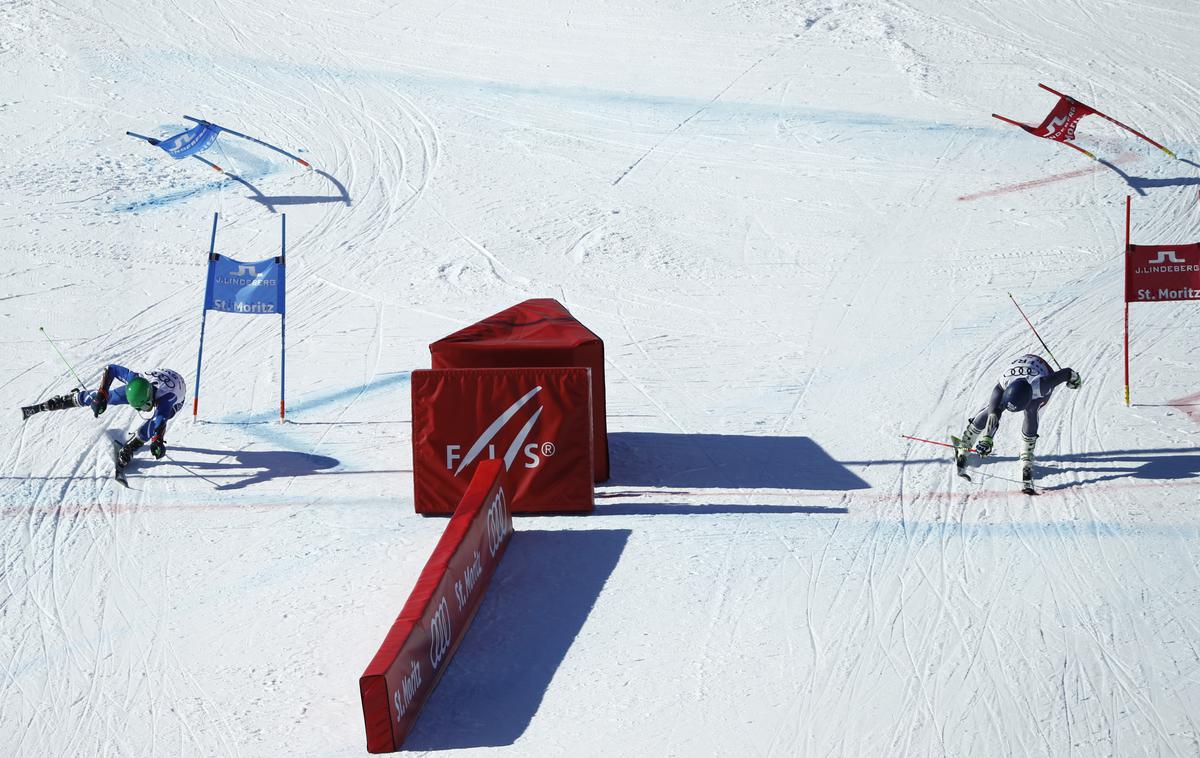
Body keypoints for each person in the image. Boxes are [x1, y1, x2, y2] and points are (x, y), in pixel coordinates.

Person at [954, 353, 1081, 490]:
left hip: (1040, 369)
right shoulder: (1003, 384)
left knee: (1031, 410)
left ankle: (1026, 455)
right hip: (1016, 376)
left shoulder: (1043, 385)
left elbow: (1067, 372)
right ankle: (966, 442)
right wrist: (987, 439)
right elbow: (994, 415)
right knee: (993, 409)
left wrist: (1075, 379)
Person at [22, 365, 186, 467]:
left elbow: (160, 420)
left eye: (143, 407)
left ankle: (132, 445)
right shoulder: (134, 380)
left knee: (152, 425)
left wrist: (157, 439)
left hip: (177, 394)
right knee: (109, 397)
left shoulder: (167, 399)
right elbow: (111, 369)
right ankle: (67, 400)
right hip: (150, 384)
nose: (141, 410)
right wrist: (102, 393)